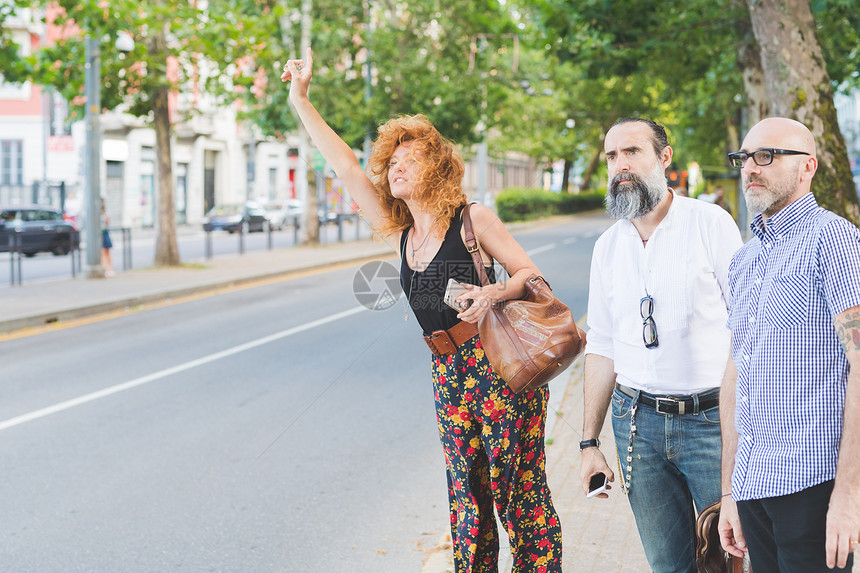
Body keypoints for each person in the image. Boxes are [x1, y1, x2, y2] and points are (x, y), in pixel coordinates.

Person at [281, 48, 562, 572]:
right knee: (467, 503)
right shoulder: (403, 235)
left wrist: (495, 294)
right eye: (391, 162)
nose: (395, 169)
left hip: (496, 363)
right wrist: (301, 98)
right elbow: (343, 163)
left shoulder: (473, 219)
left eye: (408, 160)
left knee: (519, 496)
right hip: (448, 373)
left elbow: (532, 278)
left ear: (435, 167)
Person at [579, 117, 743, 573]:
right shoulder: (608, 247)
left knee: (731, 559)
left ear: (663, 157)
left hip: (712, 422)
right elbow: (602, 344)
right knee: (668, 565)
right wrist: (589, 442)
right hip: (637, 427)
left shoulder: (711, 224)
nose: (620, 165)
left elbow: (747, 328)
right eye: (612, 156)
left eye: (632, 151)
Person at [717, 117, 860, 572]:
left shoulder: (834, 240)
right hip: (755, 484)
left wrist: (849, 494)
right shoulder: (745, 260)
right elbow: (736, 372)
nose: (751, 168)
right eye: (744, 158)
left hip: (814, 483)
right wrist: (730, 491)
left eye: (768, 156)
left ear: (808, 168)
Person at [100, 199, 114, 277]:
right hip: (100, 234)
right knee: (102, 252)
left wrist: (106, 217)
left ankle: (110, 269)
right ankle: (104, 269)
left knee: (108, 251)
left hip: (105, 232)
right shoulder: (95, 212)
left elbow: (108, 223)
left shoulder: (105, 212)